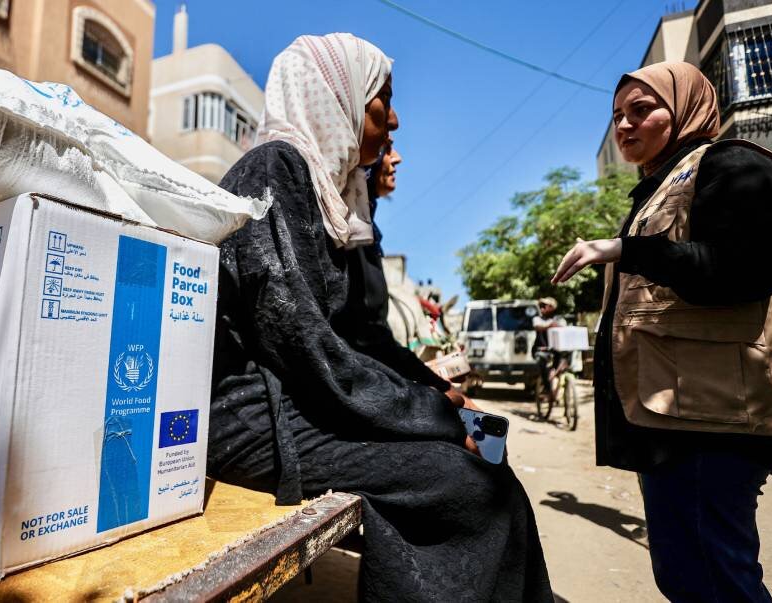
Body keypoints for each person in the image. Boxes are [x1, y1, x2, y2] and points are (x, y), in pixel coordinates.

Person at [207, 33, 552, 601]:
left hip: (305, 403)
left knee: (484, 470)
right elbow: (302, 342)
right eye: (380, 102)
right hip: (254, 419)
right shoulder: (274, 169)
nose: (394, 121)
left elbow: (363, 336)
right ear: (334, 99)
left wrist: (433, 394)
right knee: (467, 485)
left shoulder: (330, 196)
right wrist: (431, 415)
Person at [552, 61, 772, 602]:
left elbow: (744, 270)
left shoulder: (736, 163)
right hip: (675, 416)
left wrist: (626, 250)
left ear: (686, 107)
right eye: (617, 115)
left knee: (712, 577)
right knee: (689, 573)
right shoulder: (663, 185)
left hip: (713, 422)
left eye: (641, 110)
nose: (623, 125)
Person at [336, 136, 457, 397]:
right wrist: (436, 388)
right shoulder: (344, 234)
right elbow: (366, 338)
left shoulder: (364, 230)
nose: (397, 158)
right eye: (386, 148)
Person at [530, 297, 567, 396]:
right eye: (541, 305)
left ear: (552, 308)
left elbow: (564, 328)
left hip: (556, 350)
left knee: (564, 362)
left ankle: (558, 380)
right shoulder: (537, 319)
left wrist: (557, 325)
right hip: (541, 349)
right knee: (541, 362)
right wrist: (549, 325)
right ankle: (547, 389)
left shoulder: (559, 319)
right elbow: (537, 327)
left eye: (545, 305)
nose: (542, 308)